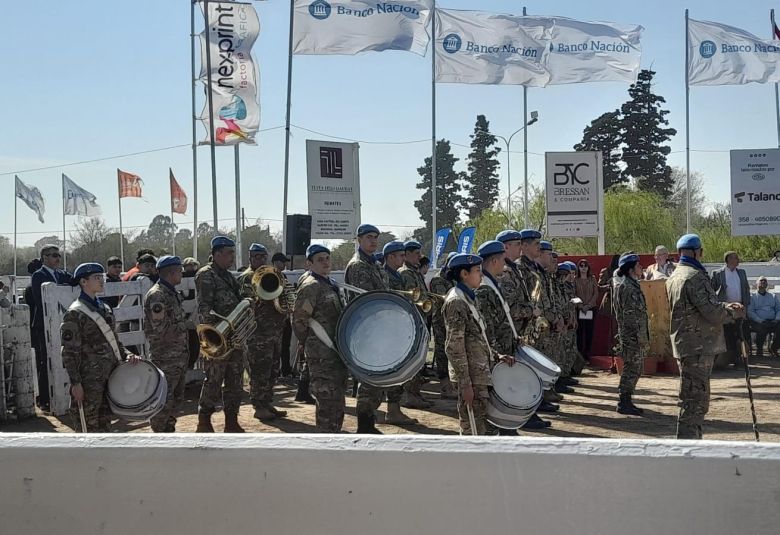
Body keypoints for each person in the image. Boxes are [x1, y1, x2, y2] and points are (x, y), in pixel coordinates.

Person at [666, 234, 744, 439]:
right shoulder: (695, 276)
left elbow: (696, 307)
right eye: (701, 251)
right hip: (698, 346)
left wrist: (724, 306)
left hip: (686, 344)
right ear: (696, 252)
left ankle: (689, 442)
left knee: (691, 397)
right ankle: (689, 447)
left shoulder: (675, 275)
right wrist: (733, 312)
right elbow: (711, 312)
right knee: (696, 400)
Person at [60, 263, 138, 432]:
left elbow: (114, 340)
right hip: (88, 381)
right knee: (87, 428)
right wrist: (76, 383)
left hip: (109, 376)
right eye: (96, 278)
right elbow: (69, 352)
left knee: (105, 425)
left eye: (101, 277)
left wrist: (128, 354)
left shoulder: (105, 307)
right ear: (83, 282)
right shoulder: (75, 313)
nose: (101, 281)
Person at [443, 253, 512, 435]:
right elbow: (454, 346)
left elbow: (477, 337)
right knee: (472, 429)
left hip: (479, 372)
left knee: (481, 426)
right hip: (471, 377)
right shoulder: (456, 302)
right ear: (464, 274)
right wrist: (465, 384)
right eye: (476, 271)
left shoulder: (469, 298)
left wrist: (496, 355)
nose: (481, 275)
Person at [292, 244, 347, 432]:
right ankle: (325, 440)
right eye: (320, 259)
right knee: (326, 400)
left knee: (337, 399)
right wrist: (308, 343)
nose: (325, 262)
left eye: (327, 258)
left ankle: (335, 435)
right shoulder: (311, 286)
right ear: (309, 263)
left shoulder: (329, 284)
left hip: (335, 352)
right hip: (321, 354)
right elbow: (299, 320)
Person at [195, 236, 245, 433]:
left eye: (233, 252)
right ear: (217, 254)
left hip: (234, 337)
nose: (232, 257)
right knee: (213, 380)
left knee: (235, 380)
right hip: (217, 337)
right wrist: (218, 332)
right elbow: (204, 309)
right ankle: (204, 420)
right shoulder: (206, 274)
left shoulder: (228, 276)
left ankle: (231, 421)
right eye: (229, 253)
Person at [238, 243, 288, 422]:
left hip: (274, 330)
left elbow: (284, 294)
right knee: (260, 370)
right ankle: (258, 406)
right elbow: (246, 301)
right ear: (250, 258)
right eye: (256, 256)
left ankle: (267, 402)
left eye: (262, 256)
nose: (259, 259)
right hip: (257, 333)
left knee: (273, 369)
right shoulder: (246, 278)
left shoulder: (273, 273)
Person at [143, 256, 193, 432]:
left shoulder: (171, 293)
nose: (182, 274)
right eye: (180, 271)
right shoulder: (158, 295)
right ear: (172, 272)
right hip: (165, 358)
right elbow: (160, 329)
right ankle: (159, 435)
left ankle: (168, 431)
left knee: (175, 399)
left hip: (177, 356)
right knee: (163, 400)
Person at [31, 244, 72, 410]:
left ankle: (63, 396)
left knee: (61, 359)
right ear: (44, 258)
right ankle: (44, 399)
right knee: (44, 361)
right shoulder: (38, 275)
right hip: (43, 325)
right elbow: (40, 301)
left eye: (58, 255)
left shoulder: (61, 274)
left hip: (61, 323)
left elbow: (74, 280)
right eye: (53, 255)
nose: (57, 258)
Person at [612, 253, 649, 416]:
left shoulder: (632, 284)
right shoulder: (626, 287)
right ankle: (624, 401)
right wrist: (638, 336)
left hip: (635, 334)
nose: (641, 267)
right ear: (631, 268)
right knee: (631, 368)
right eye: (638, 265)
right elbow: (629, 315)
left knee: (635, 367)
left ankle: (626, 399)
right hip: (631, 335)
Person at [399, 240, 432, 409]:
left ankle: (416, 394)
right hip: (413, 320)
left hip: (421, 319)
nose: (420, 256)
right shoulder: (406, 273)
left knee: (419, 359)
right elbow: (413, 297)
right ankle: (410, 395)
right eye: (417, 253)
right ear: (408, 254)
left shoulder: (414, 271)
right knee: (413, 360)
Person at [711, 251, 751, 368]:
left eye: (737, 258)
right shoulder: (718, 273)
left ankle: (741, 358)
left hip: (740, 308)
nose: (738, 260)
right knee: (728, 334)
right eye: (735, 258)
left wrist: (745, 306)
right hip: (726, 309)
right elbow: (712, 292)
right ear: (728, 260)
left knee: (742, 335)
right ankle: (727, 358)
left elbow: (746, 290)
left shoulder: (742, 273)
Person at [429, 251, 456, 399]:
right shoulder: (438, 280)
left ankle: (451, 384)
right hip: (440, 321)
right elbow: (444, 299)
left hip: (451, 321)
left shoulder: (451, 279)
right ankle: (445, 385)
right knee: (441, 352)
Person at [272, 252, 294, 378]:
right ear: (275, 262)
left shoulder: (283, 276)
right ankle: (277, 371)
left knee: (286, 345)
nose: (284, 264)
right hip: (275, 318)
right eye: (282, 262)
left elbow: (287, 294)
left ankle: (285, 369)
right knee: (277, 346)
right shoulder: (271, 275)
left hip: (284, 316)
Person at [747, 276, 780, 357]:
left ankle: (774, 348)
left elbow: (778, 309)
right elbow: (750, 311)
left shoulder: (773, 296)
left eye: (765, 281)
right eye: (761, 280)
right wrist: (760, 320)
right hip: (758, 321)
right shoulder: (752, 297)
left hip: (772, 321)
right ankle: (759, 349)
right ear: (756, 283)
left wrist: (776, 319)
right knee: (761, 328)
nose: (763, 282)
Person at [574, 259, 599, 359]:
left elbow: (595, 293)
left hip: (591, 309)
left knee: (589, 332)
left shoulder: (592, 278)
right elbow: (574, 293)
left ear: (588, 268)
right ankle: (579, 355)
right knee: (579, 332)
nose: (583, 268)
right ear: (578, 268)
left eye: (585, 266)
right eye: (581, 266)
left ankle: (587, 354)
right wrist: (581, 306)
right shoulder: (575, 279)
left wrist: (588, 306)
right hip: (579, 309)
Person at [181, 257, 201, 369]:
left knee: (196, 345)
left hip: (196, 314)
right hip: (184, 315)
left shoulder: (199, 276)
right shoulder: (181, 278)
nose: (190, 267)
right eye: (187, 266)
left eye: (192, 265)